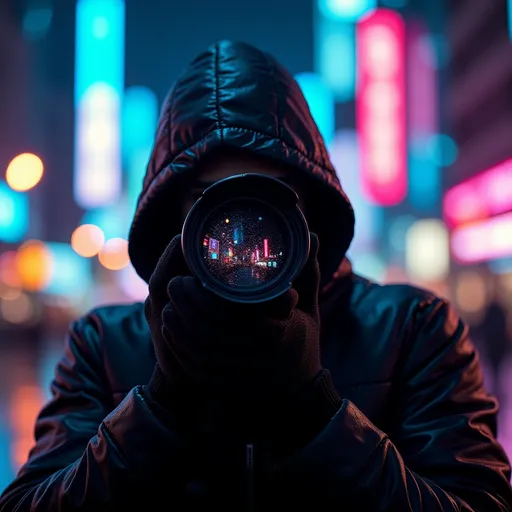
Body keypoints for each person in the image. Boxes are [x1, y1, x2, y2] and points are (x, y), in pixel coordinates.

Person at [1, 40, 511, 511]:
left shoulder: (414, 329)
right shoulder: (103, 344)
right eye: (209, 202)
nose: (241, 236)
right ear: (171, 216)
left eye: (268, 199)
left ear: (310, 205)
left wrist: (314, 409)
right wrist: (161, 405)